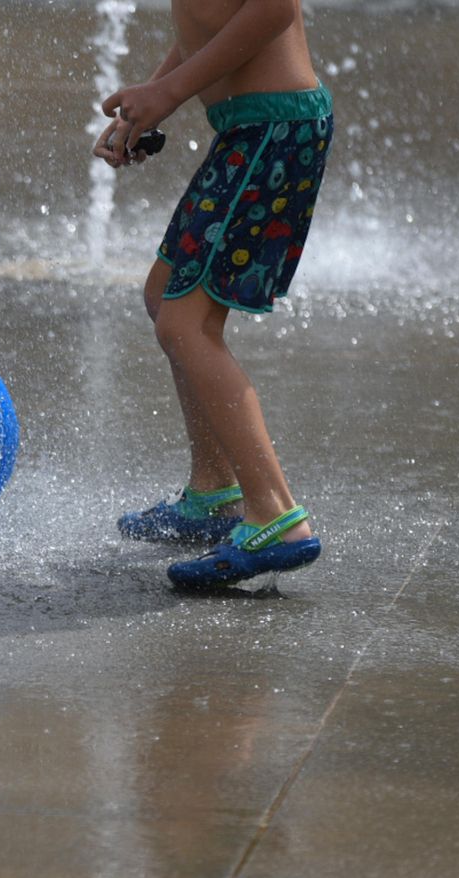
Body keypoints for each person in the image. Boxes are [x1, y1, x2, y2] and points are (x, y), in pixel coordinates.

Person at [93, 0, 331, 589]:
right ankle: (214, 491)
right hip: (252, 130)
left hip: (272, 130)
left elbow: (275, 9)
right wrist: (152, 94)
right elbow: (211, 21)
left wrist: (168, 93)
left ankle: (276, 516)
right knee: (164, 296)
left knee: (185, 324)